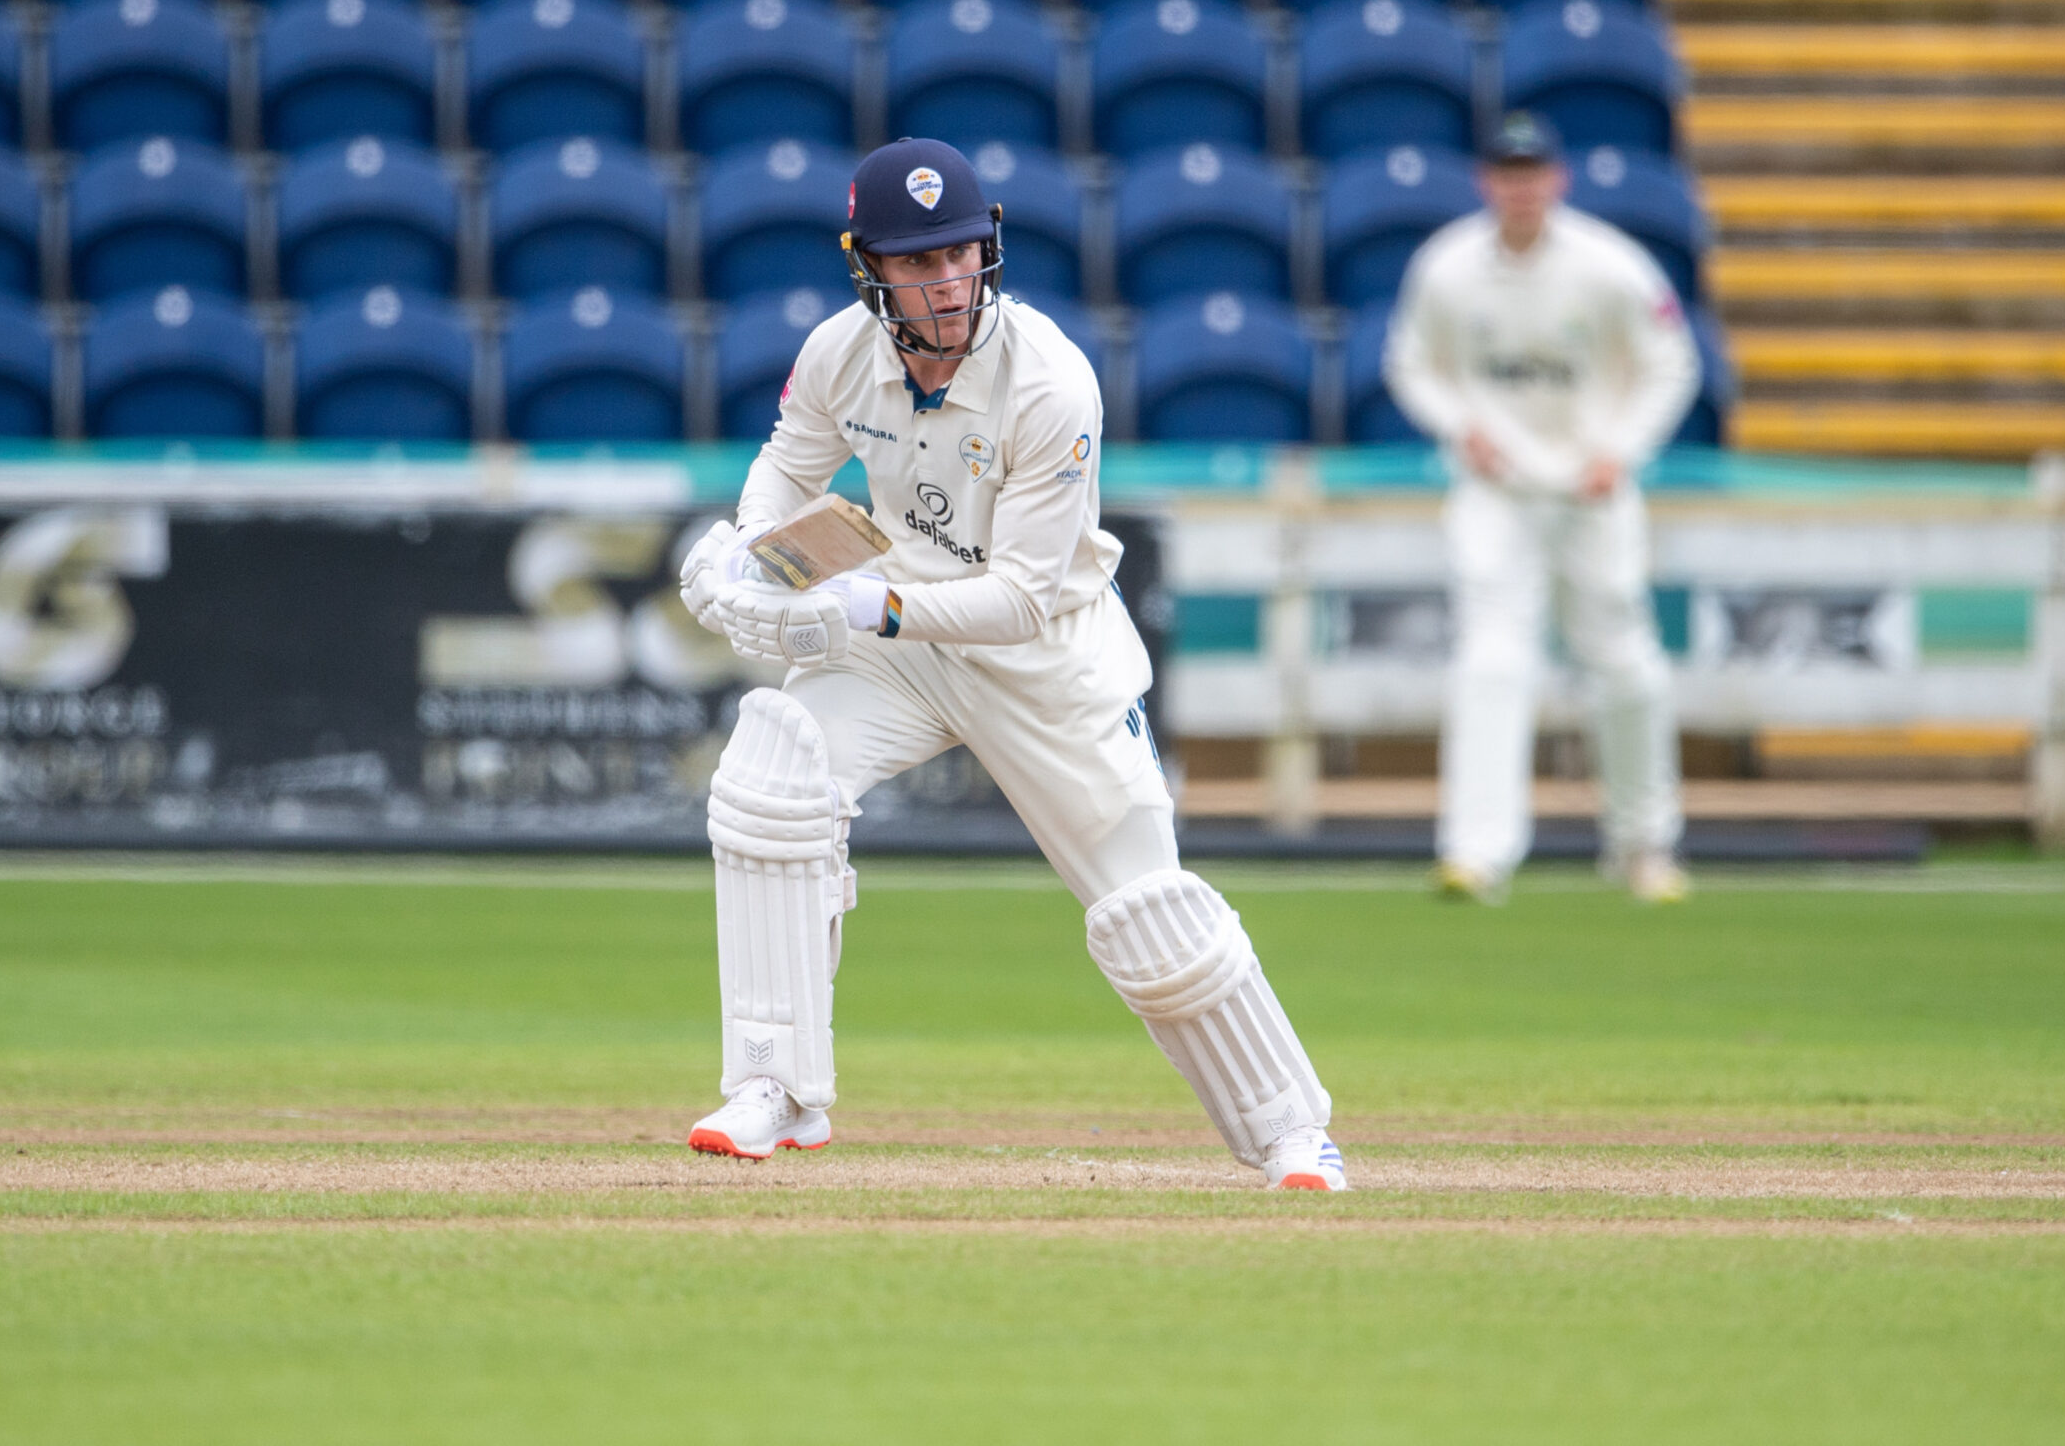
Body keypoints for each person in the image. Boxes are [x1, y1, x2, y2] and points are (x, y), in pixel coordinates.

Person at [676, 138, 1347, 1189]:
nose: (944, 280)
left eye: (958, 253)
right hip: (903, 645)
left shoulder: (1050, 382)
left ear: (986, 249)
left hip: (1046, 657)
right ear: (872, 271)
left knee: (1146, 913)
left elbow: (1023, 596)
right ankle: (776, 1087)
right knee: (773, 776)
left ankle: (1290, 1132)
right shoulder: (836, 354)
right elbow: (784, 464)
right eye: (916, 261)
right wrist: (745, 557)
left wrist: (865, 602)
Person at [1384, 112, 1699, 906]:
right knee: (1492, 660)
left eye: (1533, 173)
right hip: (1498, 491)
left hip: (1594, 490)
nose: (1519, 188)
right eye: (1505, 173)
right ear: (1486, 181)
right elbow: (1411, 365)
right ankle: (1477, 854)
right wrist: (1464, 430)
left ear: (1557, 179)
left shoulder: (1609, 266)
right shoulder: (1449, 266)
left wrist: (1620, 449)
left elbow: (1672, 363)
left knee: (1625, 662)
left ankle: (1644, 847)